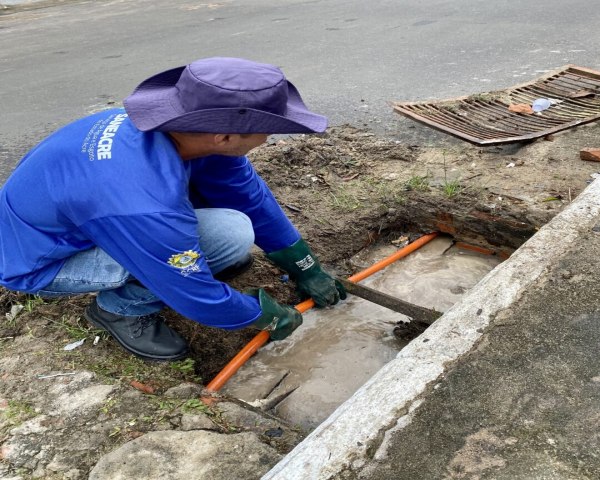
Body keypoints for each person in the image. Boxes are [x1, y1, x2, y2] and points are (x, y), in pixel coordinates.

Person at [0, 57, 346, 361]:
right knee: (226, 236)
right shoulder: (141, 201)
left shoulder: (184, 133)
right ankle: (120, 309)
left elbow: (249, 198)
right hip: (41, 261)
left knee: (229, 230)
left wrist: (305, 267)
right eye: (266, 130)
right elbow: (192, 292)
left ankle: (196, 258)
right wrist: (262, 315)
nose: (269, 139)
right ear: (224, 137)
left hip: (80, 221)